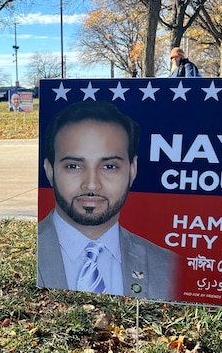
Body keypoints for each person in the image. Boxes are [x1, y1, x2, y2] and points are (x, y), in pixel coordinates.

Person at [38, 101, 178, 299]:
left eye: (109, 167)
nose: (92, 185)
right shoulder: (25, 255)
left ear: (132, 170)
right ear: (50, 171)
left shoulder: (169, 266)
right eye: (74, 166)